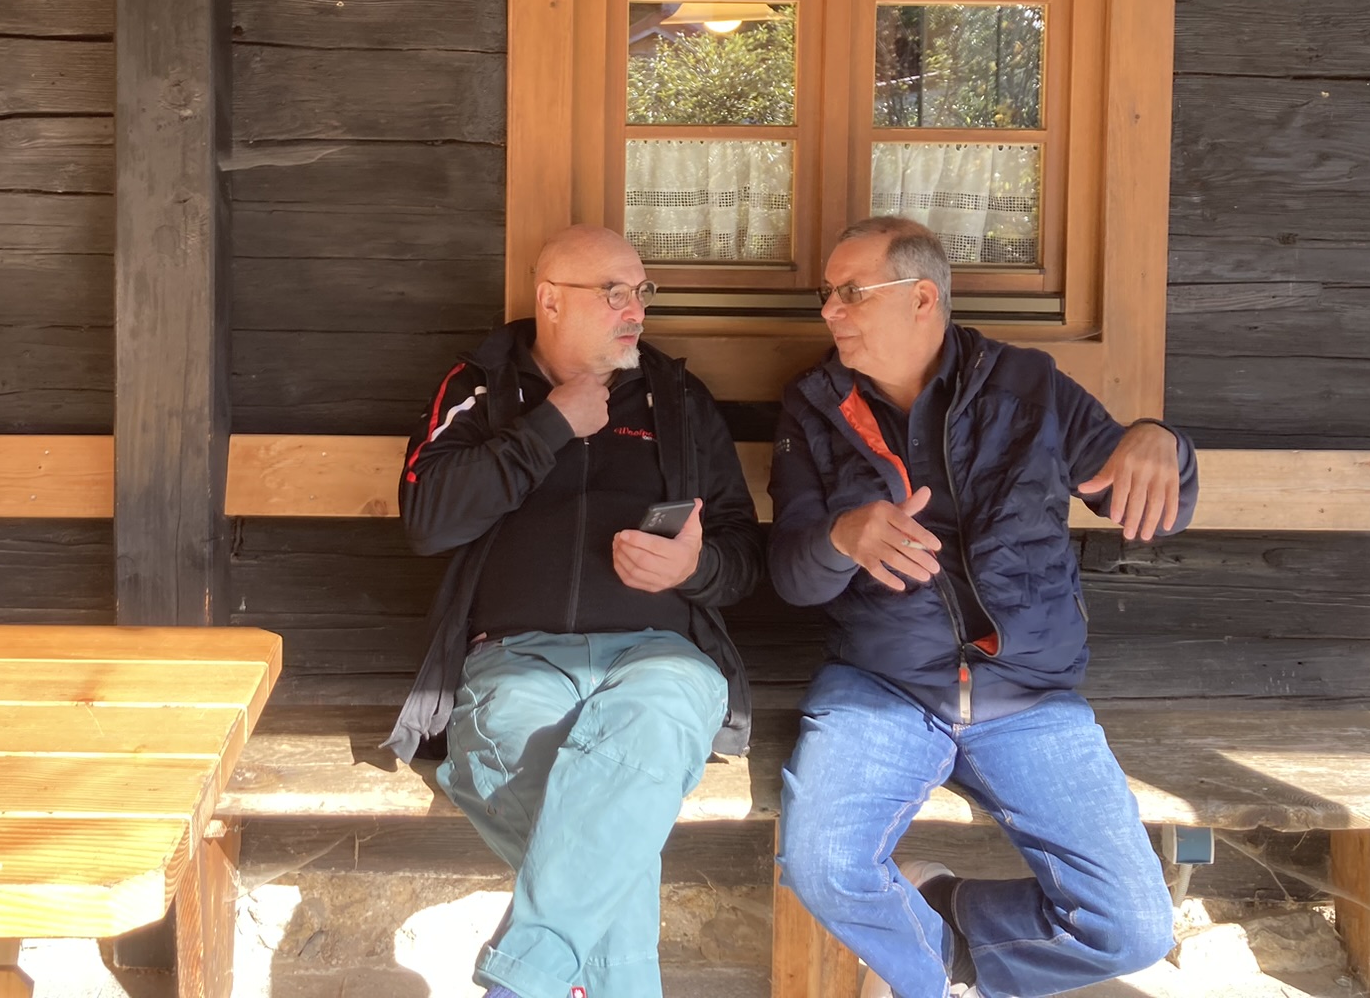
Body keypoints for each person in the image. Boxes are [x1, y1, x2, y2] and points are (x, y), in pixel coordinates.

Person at [771, 217, 1197, 998]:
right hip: (885, 687)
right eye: (827, 294)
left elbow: (1148, 497)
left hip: (1028, 698)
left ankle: (938, 914)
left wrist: (1158, 441)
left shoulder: (1025, 386)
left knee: (1133, 930)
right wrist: (841, 538)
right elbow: (793, 577)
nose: (830, 310)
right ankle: (935, 978)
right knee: (823, 867)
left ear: (922, 297)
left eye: (851, 292)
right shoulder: (815, 406)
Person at [385, 224, 763, 998]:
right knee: (588, 810)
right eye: (614, 293)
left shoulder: (676, 400)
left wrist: (694, 567)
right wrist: (549, 426)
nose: (636, 311)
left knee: (646, 731)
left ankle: (526, 980)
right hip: (514, 662)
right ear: (551, 301)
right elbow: (427, 520)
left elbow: (742, 553)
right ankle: (538, 978)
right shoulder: (480, 387)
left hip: (660, 658)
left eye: (642, 293)